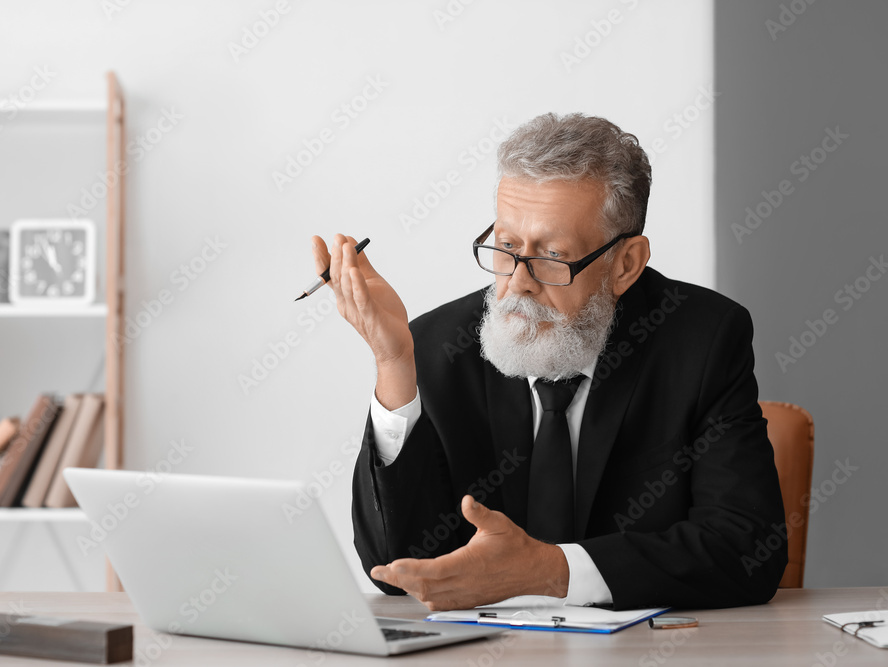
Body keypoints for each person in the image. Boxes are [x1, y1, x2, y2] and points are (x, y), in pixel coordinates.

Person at [310, 112, 787, 612]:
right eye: (507, 247)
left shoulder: (703, 339)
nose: (518, 283)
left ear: (626, 264)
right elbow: (395, 569)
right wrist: (394, 364)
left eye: (552, 255)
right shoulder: (436, 344)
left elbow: (748, 549)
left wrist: (553, 572)